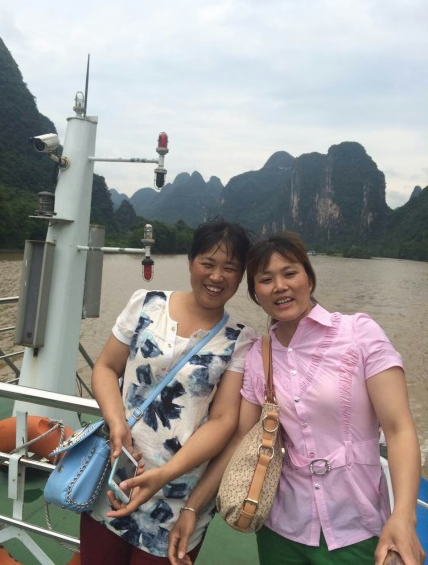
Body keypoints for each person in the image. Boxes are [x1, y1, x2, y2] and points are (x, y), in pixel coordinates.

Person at [169, 231, 426, 565]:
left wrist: (403, 516)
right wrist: (193, 507)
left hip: (358, 526)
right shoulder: (258, 356)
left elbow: (399, 429)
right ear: (255, 294)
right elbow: (240, 438)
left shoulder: (359, 334)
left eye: (289, 273)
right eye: (266, 279)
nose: (280, 286)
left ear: (309, 279)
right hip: (282, 530)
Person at [79, 219, 256, 564]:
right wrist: (116, 422)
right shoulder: (146, 304)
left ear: (240, 276)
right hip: (113, 476)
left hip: (176, 499)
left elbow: (223, 421)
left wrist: (164, 475)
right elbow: (106, 367)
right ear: (191, 262)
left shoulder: (239, 340)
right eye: (208, 263)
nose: (216, 276)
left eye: (230, 268)